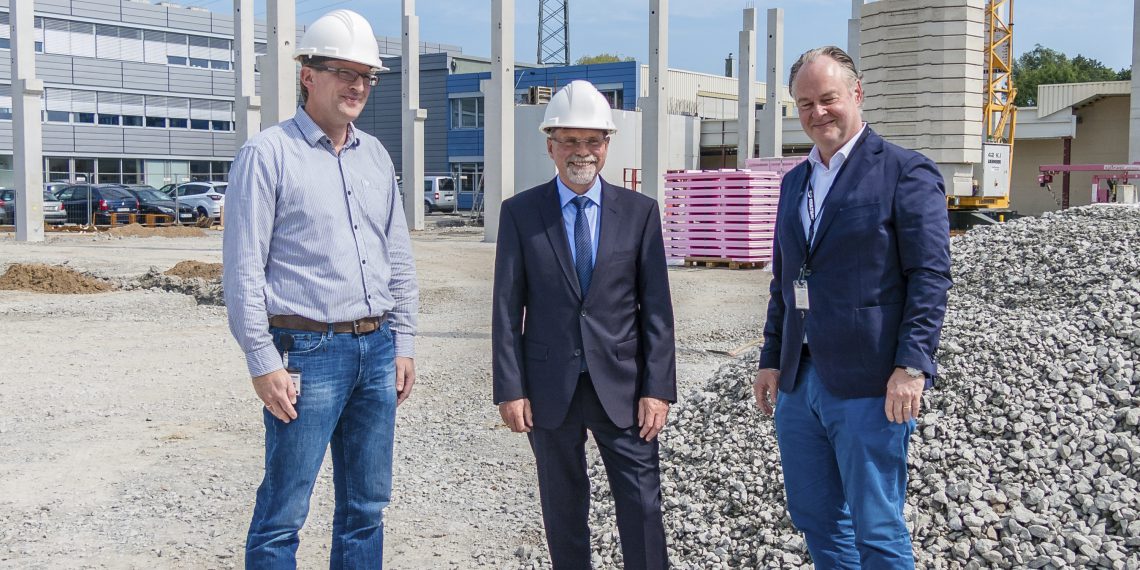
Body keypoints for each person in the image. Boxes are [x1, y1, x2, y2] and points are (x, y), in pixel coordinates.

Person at [222, 9, 418, 568]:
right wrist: (263, 362)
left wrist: (403, 342)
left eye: (367, 76)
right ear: (308, 74)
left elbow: (397, 257)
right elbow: (242, 270)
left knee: (366, 507)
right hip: (306, 353)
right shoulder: (268, 155)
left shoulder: (376, 157)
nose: (357, 86)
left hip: (377, 349)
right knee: (284, 511)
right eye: (344, 72)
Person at [752, 46, 952, 568]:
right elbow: (785, 279)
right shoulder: (795, 182)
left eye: (828, 99)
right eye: (804, 104)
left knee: (876, 525)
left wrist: (911, 367)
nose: (817, 113)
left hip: (870, 383)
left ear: (857, 94)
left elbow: (929, 278)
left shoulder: (905, 172)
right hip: (801, 382)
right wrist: (771, 357)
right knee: (816, 518)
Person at [492, 80, 677, 570]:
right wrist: (510, 390)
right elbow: (507, 312)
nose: (582, 152)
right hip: (549, 387)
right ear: (550, 145)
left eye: (593, 141)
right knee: (562, 507)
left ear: (607, 145)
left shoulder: (640, 213)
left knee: (641, 505)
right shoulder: (520, 214)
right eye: (570, 141)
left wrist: (657, 389)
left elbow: (657, 309)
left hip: (624, 387)